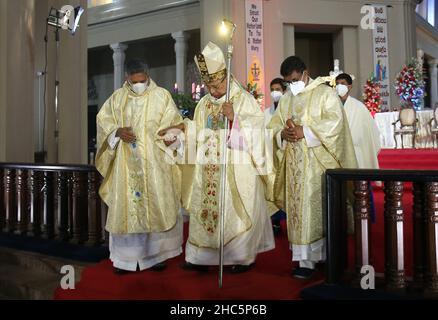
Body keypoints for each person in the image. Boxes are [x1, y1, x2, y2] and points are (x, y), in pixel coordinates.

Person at [159, 42, 275, 273]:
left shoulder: (242, 99)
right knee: (206, 212)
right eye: (208, 85)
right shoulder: (203, 104)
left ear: (226, 77)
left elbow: (258, 134)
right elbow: (197, 132)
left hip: (235, 169)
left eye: (215, 85)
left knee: (234, 213)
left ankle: (240, 258)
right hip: (208, 169)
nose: (212, 91)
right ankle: (200, 259)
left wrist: (235, 121)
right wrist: (180, 134)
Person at [268, 56, 357, 279]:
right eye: (288, 82)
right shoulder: (287, 98)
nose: (292, 85)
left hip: (319, 166)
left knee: (319, 212)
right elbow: (273, 126)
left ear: (305, 73)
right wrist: (282, 134)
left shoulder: (325, 93)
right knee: (299, 214)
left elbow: (335, 124)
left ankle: (327, 257)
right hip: (294, 166)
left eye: (295, 80)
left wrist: (305, 132)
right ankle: (304, 262)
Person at [95, 59, 184, 274]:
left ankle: (157, 255)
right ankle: (126, 260)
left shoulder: (161, 96)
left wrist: (172, 135)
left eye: (142, 81)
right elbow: (103, 122)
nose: (138, 85)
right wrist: (117, 133)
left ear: (148, 76)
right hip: (126, 167)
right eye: (134, 81)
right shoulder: (117, 98)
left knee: (155, 207)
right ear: (127, 78)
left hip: (155, 166)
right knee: (128, 209)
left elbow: (175, 123)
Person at [336, 73, 381, 222]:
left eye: (342, 83)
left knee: (360, 192)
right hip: (336, 155)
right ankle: (344, 222)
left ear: (349, 86)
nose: (339, 86)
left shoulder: (359, 107)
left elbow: (372, 132)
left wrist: (362, 145)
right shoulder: (331, 105)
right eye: (337, 83)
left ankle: (364, 220)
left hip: (356, 155)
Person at [265, 78, 287, 236]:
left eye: (278, 89)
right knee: (272, 190)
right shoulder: (266, 113)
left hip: (286, 156)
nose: (275, 92)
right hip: (271, 157)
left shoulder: (289, 109)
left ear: (284, 90)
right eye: (272, 89)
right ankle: (275, 222)